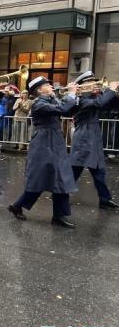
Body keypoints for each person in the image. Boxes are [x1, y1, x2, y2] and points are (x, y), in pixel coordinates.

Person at [7, 76, 78, 228]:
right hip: (43, 143)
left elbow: (67, 109)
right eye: (48, 85)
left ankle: (59, 215)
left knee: (61, 177)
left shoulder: (51, 99)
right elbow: (63, 109)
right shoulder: (38, 103)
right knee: (40, 178)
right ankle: (17, 205)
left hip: (55, 141)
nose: (52, 86)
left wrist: (68, 96)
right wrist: (71, 94)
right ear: (40, 90)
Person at [69, 71, 119, 209]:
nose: (96, 85)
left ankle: (104, 199)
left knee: (99, 171)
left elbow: (108, 105)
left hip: (94, 138)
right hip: (84, 138)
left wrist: (115, 93)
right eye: (91, 82)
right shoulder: (80, 100)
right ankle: (62, 195)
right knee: (74, 171)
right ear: (83, 86)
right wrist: (111, 90)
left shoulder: (94, 96)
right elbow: (99, 103)